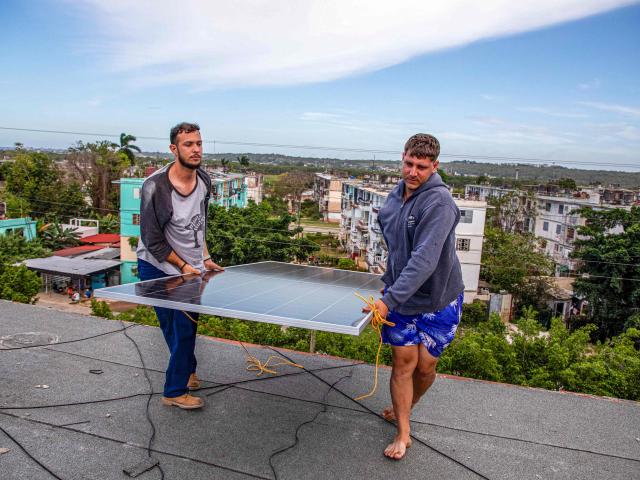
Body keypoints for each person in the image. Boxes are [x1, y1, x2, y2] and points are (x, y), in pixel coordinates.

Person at [364, 133, 464, 460]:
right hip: (402, 299)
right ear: (402, 157)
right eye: (408, 163)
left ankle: (407, 405)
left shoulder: (440, 203)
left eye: (421, 167)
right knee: (403, 363)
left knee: (426, 367)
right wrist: (391, 281)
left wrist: (388, 300)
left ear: (435, 166)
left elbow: (424, 259)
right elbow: (391, 235)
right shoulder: (394, 197)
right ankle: (403, 433)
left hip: (439, 298)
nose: (413, 172)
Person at [136, 122, 224, 410]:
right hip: (157, 264)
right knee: (171, 326)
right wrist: (184, 265)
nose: (196, 149)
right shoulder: (155, 187)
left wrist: (205, 257)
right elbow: (152, 239)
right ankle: (182, 376)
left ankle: (175, 388)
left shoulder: (205, 181)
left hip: (190, 265)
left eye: (199, 143)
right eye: (188, 144)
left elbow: (200, 223)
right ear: (174, 149)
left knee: (186, 327)